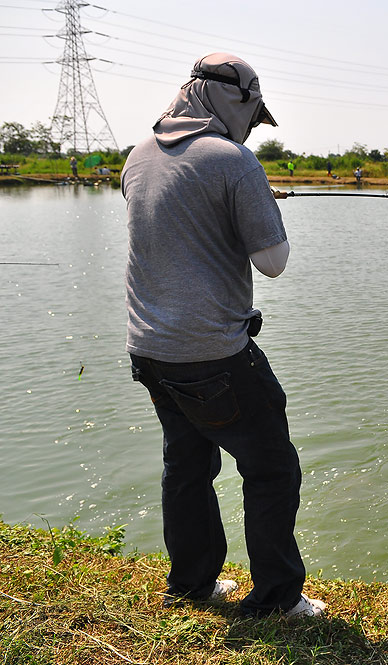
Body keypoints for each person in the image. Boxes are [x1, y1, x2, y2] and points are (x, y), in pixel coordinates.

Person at [121, 52, 324, 620]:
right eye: (254, 116)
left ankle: (191, 584)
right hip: (210, 351)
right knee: (271, 468)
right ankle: (278, 599)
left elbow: (178, 223)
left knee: (186, 465)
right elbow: (273, 263)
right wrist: (260, 208)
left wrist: (243, 206)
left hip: (149, 349)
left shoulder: (138, 156)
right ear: (234, 101)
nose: (252, 127)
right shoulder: (234, 161)